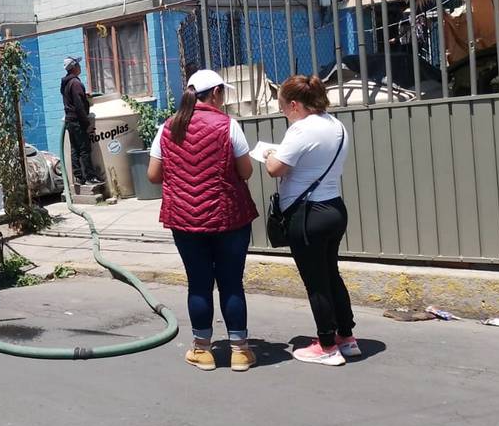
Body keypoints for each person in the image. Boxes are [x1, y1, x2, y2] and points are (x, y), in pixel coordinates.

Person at [147, 69, 259, 372]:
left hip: (185, 220)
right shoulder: (228, 126)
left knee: (198, 284)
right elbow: (246, 171)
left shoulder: (167, 128)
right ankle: (239, 351)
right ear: (217, 93)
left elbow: (153, 175)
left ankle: (202, 350)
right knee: (231, 283)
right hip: (229, 218)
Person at [264, 75, 357, 367]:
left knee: (316, 281)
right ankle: (347, 337)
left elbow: (276, 169)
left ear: (294, 104)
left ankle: (326, 345)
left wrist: (268, 154)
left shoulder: (301, 130)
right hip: (334, 209)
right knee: (331, 274)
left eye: (282, 107)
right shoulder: (336, 125)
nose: (282, 112)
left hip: (307, 216)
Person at [60, 56, 102, 185]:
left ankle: (78, 177)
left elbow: (72, 99)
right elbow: (79, 105)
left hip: (69, 120)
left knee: (75, 149)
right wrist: (86, 123)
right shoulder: (76, 83)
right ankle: (90, 177)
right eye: (78, 65)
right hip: (77, 120)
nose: (80, 67)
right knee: (84, 149)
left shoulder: (66, 83)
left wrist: (84, 95)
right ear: (74, 68)